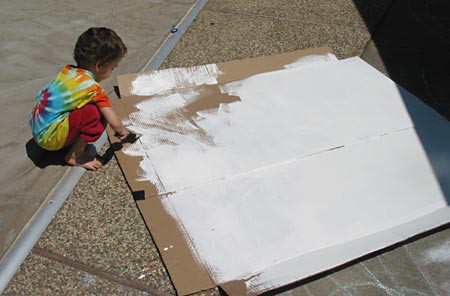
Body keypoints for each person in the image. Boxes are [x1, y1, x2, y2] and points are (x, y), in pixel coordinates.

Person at [29, 27, 129, 170]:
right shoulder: (93, 89)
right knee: (95, 114)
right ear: (99, 66)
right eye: (112, 68)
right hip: (49, 140)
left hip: (38, 130)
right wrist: (123, 131)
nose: (112, 71)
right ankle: (74, 156)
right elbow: (114, 121)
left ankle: (68, 139)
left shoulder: (68, 72)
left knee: (87, 109)